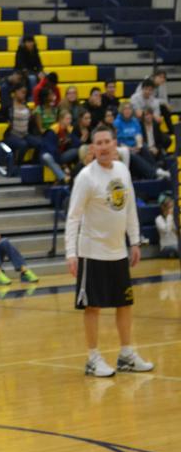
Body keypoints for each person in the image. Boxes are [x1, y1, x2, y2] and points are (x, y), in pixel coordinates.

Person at [65, 124, 154, 377]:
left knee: (124, 304)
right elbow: (73, 218)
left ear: (115, 144)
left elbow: (129, 209)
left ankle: (126, 354)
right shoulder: (86, 177)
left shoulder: (123, 171)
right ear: (93, 148)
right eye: (98, 143)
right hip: (92, 252)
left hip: (118, 252)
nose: (103, 147)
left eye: (107, 142)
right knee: (93, 307)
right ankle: (93, 358)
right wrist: (71, 254)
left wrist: (135, 241)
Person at [113, 102, 170, 180]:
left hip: (135, 146)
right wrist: (130, 148)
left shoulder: (135, 121)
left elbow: (138, 135)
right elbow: (117, 140)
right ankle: (154, 174)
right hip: (124, 148)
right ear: (121, 110)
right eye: (125, 109)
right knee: (131, 154)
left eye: (129, 109)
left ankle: (157, 169)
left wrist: (138, 145)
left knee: (144, 147)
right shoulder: (117, 122)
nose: (127, 111)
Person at [3, 83, 41, 165]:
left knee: (40, 143)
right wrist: (7, 121)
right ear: (16, 92)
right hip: (12, 134)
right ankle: (17, 165)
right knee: (23, 144)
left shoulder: (25, 105)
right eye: (22, 92)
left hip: (25, 134)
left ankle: (33, 162)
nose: (24, 94)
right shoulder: (9, 105)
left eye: (25, 92)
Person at [41, 109, 80, 184]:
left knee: (78, 150)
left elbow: (77, 143)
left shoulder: (69, 130)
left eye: (70, 119)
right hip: (52, 155)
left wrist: (70, 141)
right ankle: (63, 178)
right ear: (61, 119)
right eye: (67, 119)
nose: (70, 121)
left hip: (61, 156)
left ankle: (76, 175)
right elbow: (50, 148)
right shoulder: (52, 130)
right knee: (46, 157)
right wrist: (61, 163)